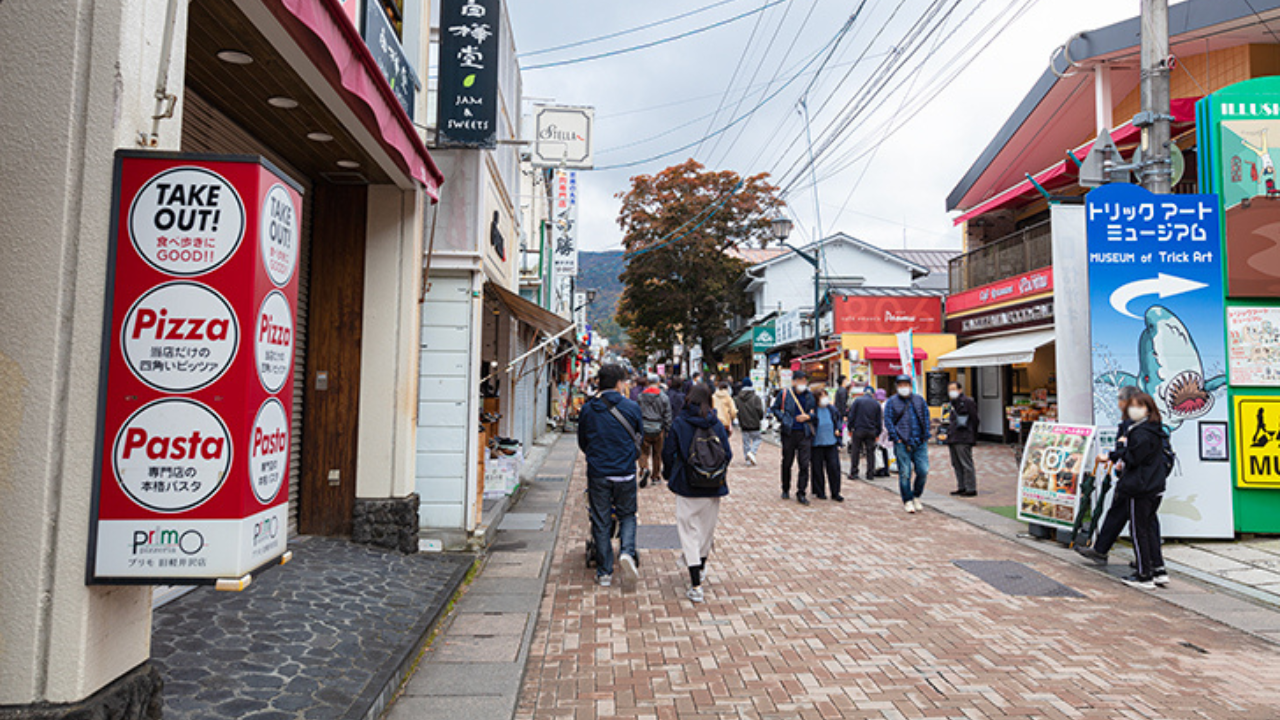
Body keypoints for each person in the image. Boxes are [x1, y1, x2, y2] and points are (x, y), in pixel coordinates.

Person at [1076, 387, 1170, 588]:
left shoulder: (1139, 431)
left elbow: (1133, 457)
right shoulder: (1155, 429)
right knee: (1147, 525)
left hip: (1139, 486)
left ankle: (1144, 574)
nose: (1130, 409)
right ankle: (1156, 568)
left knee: (1139, 530)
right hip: (1153, 485)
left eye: (1137, 406)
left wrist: (1116, 451)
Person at [663, 384, 732, 604]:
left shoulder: (680, 423)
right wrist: (714, 472)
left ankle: (696, 585)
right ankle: (700, 569)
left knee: (688, 533)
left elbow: (668, 452)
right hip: (713, 487)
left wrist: (669, 473)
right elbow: (727, 454)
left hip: (687, 485)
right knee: (705, 532)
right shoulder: (716, 424)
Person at [576, 364, 643, 587]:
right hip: (625, 472)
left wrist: (595, 457)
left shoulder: (588, 409)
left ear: (598, 382)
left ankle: (604, 573)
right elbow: (638, 437)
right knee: (627, 515)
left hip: (599, 473)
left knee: (601, 519)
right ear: (619, 383)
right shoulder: (632, 407)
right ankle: (626, 552)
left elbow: (582, 442)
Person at [884, 375, 931, 513]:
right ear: (897, 387)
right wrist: (896, 437)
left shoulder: (919, 400)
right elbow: (888, 420)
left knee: (923, 470)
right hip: (902, 442)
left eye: (906, 384)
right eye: (901, 385)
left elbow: (926, 417)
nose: (904, 387)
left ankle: (916, 495)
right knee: (905, 473)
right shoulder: (892, 402)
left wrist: (926, 434)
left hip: (919, 441)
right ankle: (908, 500)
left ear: (911, 386)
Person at [771, 370, 816, 505]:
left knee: (804, 464)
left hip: (804, 433)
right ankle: (785, 488)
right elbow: (775, 408)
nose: (803, 383)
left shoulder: (809, 396)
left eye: (804, 381)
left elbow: (814, 413)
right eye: (800, 380)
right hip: (789, 432)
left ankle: (801, 492)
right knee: (787, 462)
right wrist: (784, 419)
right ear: (794, 381)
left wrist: (808, 417)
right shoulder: (785, 394)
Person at [809, 383, 844, 502]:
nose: (825, 398)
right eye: (821, 396)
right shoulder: (813, 410)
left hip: (831, 442)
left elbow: (838, 421)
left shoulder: (831, 409)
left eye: (825, 395)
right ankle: (820, 491)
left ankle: (835, 492)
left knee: (834, 468)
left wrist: (838, 429)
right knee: (817, 469)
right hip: (817, 444)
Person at [637, 374, 673, 489]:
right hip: (658, 428)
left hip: (644, 426)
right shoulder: (663, 397)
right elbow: (667, 415)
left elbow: (637, 412)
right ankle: (655, 476)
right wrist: (668, 429)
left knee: (643, 451)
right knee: (657, 453)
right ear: (658, 383)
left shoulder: (641, 396)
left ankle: (644, 468)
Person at [945, 381, 980, 497]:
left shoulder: (967, 402)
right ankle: (961, 486)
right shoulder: (951, 403)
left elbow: (975, 419)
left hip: (964, 437)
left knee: (966, 463)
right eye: (950, 389)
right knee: (956, 463)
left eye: (954, 389)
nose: (952, 392)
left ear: (960, 390)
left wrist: (973, 435)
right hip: (953, 437)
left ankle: (971, 488)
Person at [847, 386, 882, 480]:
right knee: (871, 452)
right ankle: (870, 473)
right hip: (871, 431)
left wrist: (849, 428)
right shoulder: (876, 404)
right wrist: (878, 433)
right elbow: (879, 421)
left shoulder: (857, 401)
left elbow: (851, 416)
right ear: (873, 394)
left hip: (858, 430)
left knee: (856, 451)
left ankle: (854, 472)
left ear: (864, 392)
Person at [734, 378, 765, 466]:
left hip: (743, 423)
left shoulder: (738, 398)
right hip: (755, 423)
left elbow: (737, 411)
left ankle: (747, 459)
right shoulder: (756, 398)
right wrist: (760, 418)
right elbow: (759, 410)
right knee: (757, 439)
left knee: (746, 442)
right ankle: (752, 452)